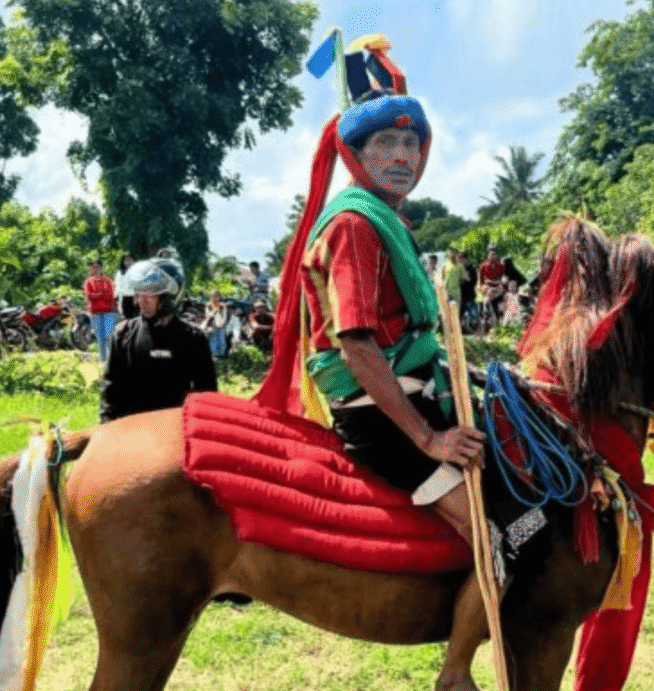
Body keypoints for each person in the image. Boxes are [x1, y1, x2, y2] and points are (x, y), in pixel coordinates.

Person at [257, 76, 489, 691]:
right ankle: (457, 672)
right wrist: (428, 440)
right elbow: (356, 341)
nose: (401, 157)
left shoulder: (386, 218)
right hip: (383, 417)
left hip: (417, 391)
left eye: (412, 146)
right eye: (385, 143)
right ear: (355, 155)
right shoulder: (356, 225)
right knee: (501, 539)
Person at [100, 258, 217, 422]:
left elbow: (206, 396)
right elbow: (111, 390)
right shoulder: (123, 334)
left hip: (173, 433)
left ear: (169, 296)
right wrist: (107, 426)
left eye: (149, 293)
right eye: (139, 292)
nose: (139, 300)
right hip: (132, 431)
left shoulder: (193, 339)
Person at [83, 259, 118, 363]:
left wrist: (98, 295)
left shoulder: (108, 280)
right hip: (95, 313)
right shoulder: (88, 282)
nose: (95, 269)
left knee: (109, 337)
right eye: (93, 267)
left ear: (101, 267)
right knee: (100, 339)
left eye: (97, 266)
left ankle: (112, 361)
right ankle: (103, 362)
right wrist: (101, 294)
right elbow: (89, 296)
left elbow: (110, 295)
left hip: (108, 312)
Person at [478, 246, 506, 328]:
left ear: (496, 255)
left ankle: (500, 321)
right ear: (488, 256)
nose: (492, 256)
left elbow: (503, 278)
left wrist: (501, 287)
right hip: (488, 288)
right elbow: (480, 280)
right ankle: (486, 321)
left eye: (494, 254)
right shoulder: (483, 266)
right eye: (491, 254)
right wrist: (483, 289)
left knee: (500, 306)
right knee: (487, 303)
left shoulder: (501, 266)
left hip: (498, 288)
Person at [202, 290, 229, 358]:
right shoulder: (208, 304)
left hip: (220, 323)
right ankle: (215, 355)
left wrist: (222, 320)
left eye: (217, 296)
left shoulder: (223, 305)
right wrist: (210, 312)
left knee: (220, 338)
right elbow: (207, 315)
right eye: (214, 296)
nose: (216, 298)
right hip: (212, 323)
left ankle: (219, 354)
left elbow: (224, 317)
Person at [114, 254, 138, 319]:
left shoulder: (138, 271)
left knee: (137, 317)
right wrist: (117, 299)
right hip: (125, 297)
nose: (128, 262)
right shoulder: (120, 272)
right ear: (123, 262)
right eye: (126, 260)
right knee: (127, 317)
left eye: (130, 260)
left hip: (137, 296)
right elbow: (118, 286)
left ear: (133, 261)